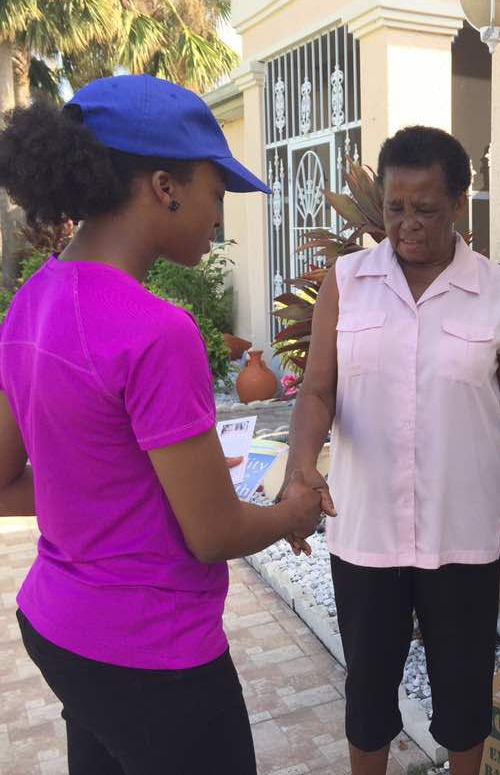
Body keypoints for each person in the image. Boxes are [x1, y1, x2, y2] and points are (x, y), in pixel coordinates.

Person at [0, 75, 329, 775]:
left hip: (60, 630)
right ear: (164, 186)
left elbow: (14, 480)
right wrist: (293, 512)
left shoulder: (32, 300)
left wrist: (144, 484)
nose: (219, 213)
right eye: (217, 189)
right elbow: (213, 535)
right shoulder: (157, 331)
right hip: (154, 656)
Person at [284, 125, 500, 775]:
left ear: (458, 203)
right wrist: (299, 469)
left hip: (462, 532)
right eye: (395, 207)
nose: (406, 224)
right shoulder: (347, 282)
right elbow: (317, 390)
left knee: (464, 692)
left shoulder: (496, 290)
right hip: (366, 531)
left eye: (425, 208)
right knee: (368, 692)